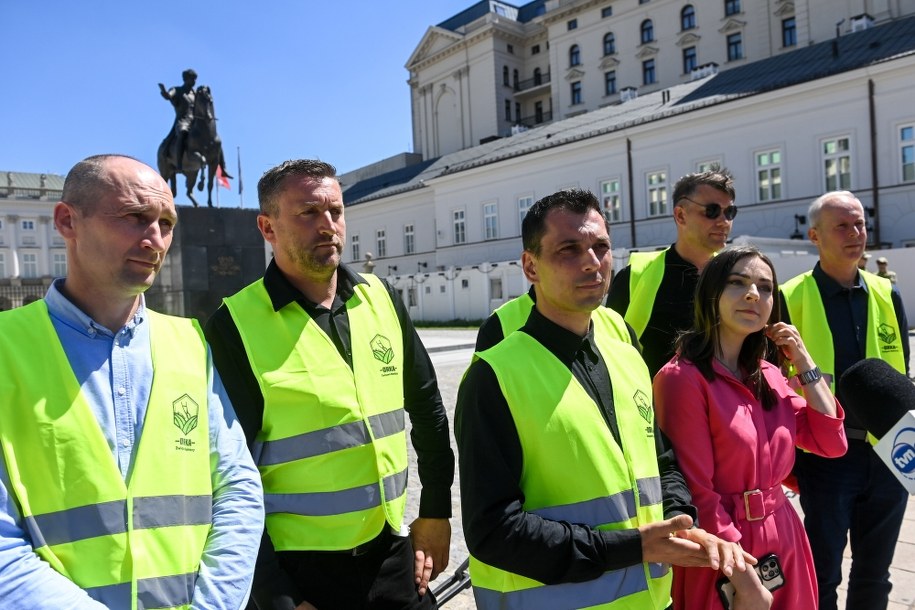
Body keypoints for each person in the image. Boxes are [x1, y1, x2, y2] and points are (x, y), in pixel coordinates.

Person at [456, 189, 756, 610]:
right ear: (530, 267)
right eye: (569, 249)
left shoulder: (624, 351)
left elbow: (660, 459)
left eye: (601, 247)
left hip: (652, 601)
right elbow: (493, 532)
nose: (591, 262)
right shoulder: (493, 376)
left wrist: (682, 520)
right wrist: (633, 547)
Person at [0, 154, 264, 608]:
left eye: (166, 222)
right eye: (135, 217)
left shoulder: (189, 341)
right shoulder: (7, 348)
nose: (156, 240)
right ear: (67, 221)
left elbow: (238, 485)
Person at [204, 159, 454, 610]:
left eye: (335, 212)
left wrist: (435, 509)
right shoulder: (234, 325)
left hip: (392, 550)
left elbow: (428, 407)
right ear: (268, 227)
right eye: (308, 214)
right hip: (304, 573)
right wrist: (278, 595)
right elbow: (220, 475)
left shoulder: (381, 299)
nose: (328, 226)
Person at [654, 245, 848, 609]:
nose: (753, 294)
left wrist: (804, 361)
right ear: (711, 292)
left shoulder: (770, 375)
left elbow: (831, 442)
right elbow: (698, 492)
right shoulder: (682, 379)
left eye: (765, 287)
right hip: (723, 548)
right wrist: (744, 577)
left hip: (784, 536)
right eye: (737, 282)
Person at [780, 190, 910, 610]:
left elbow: (900, 375)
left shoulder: (886, 293)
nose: (855, 233)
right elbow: (773, 382)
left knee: (875, 574)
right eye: (842, 226)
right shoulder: (789, 296)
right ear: (814, 236)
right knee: (822, 573)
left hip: (888, 452)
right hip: (825, 458)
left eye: (860, 224)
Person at [606, 166, 737, 376]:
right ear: (680, 215)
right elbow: (608, 350)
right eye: (712, 211)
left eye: (729, 212)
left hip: (723, 406)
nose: (724, 222)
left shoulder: (735, 278)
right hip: (654, 405)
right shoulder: (635, 276)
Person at [159, 68, 197, 171]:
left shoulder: (195, 94)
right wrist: (164, 91)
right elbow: (168, 96)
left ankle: (221, 166)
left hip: (195, 122)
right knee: (183, 132)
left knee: (213, 137)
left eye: (195, 79)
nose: (194, 81)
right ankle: (179, 163)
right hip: (183, 121)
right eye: (192, 79)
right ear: (185, 79)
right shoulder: (177, 90)